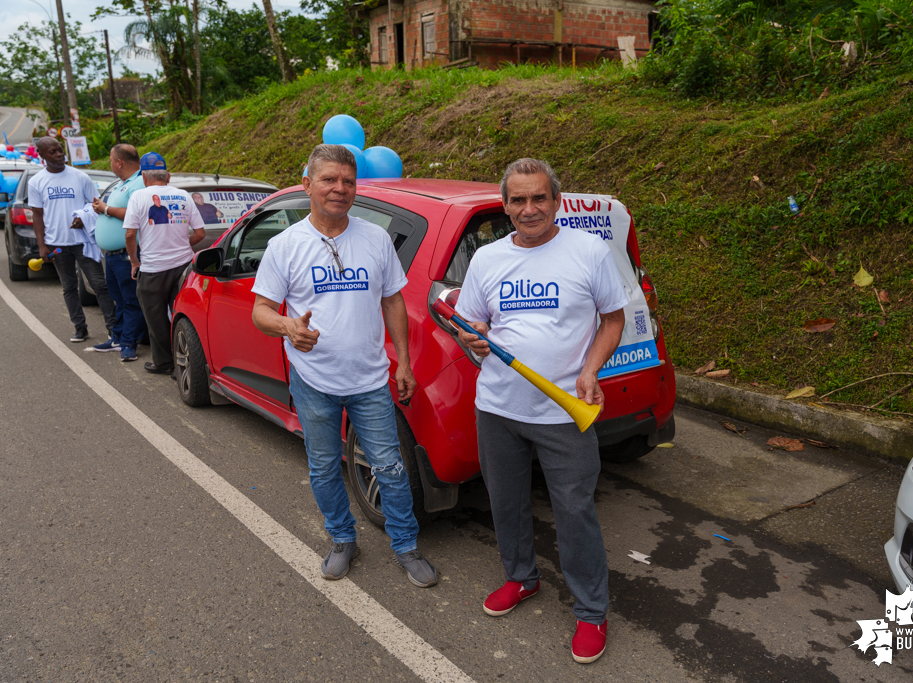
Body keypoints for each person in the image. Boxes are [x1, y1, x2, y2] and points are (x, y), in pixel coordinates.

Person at [454, 158, 627, 664]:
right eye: (517, 200)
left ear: (556, 200)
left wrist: (591, 370)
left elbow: (613, 320)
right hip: (499, 407)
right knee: (505, 502)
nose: (529, 210)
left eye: (539, 199)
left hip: (563, 413)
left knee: (575, 512)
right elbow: (471, 326)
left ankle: (592, 611)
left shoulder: (588, 250)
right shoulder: (487, 260)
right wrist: (471, 341)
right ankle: (520, 578)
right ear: (505, 205)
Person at [250, 144, 438, 588]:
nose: (339, 188)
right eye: (329, 179)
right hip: (313, 379)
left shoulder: (374, 239)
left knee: (389, 466)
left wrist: (404, 363)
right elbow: (260, 310)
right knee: (323, 466)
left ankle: (406, 545)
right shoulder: (285, 245)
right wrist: (286, 326)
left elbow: (392, 299)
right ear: (307, 184)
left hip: (370, 378)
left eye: (348, 181)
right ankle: (341, 539)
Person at [122, 151, 206, 375]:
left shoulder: (139, 197)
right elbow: (200, 233)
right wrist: (182, 243)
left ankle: (165, 364)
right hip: (183, 267)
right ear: (167, 176)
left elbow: (130, 235)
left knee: (155, 318)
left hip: (153, 270)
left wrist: (134, 262)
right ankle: (187, 360)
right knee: (183, 314)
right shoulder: (184, 196)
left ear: (144, 178)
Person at [29, 136, 117, 343]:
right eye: (53, 152)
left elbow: (96, 204)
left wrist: (83, 218)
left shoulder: (80, 177)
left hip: (83, 242)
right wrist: (42, 245)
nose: (59, 154)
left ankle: (113, 329)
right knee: (69, 287)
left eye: (60, 149)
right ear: (42, 156)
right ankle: (80, 327)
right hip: (57, 245)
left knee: (99, 285)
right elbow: (38, 216)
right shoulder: (36, 182)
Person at [91, 144, 147, 362]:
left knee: (131, 299)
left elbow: (136, 213)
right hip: (114, 255)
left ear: (119, 162)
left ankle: (128, 344)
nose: (110, 163)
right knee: (120, 298)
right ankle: (119, 337)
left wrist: (105, 209)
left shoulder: (139, 182)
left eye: (111, 159)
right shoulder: (123, 184)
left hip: (127, 254)